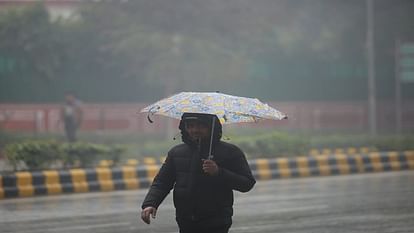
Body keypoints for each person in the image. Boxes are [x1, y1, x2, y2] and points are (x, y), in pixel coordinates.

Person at [141, 112, 256, 233]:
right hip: (185, 221)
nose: (195, 130)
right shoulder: (176, 153)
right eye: (190, 126)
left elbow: (247, 183)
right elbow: (162, 182)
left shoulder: (230, 152)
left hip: (217, 221)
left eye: (201, 126)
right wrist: (150, 203)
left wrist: (219, 172)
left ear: (212, 127)